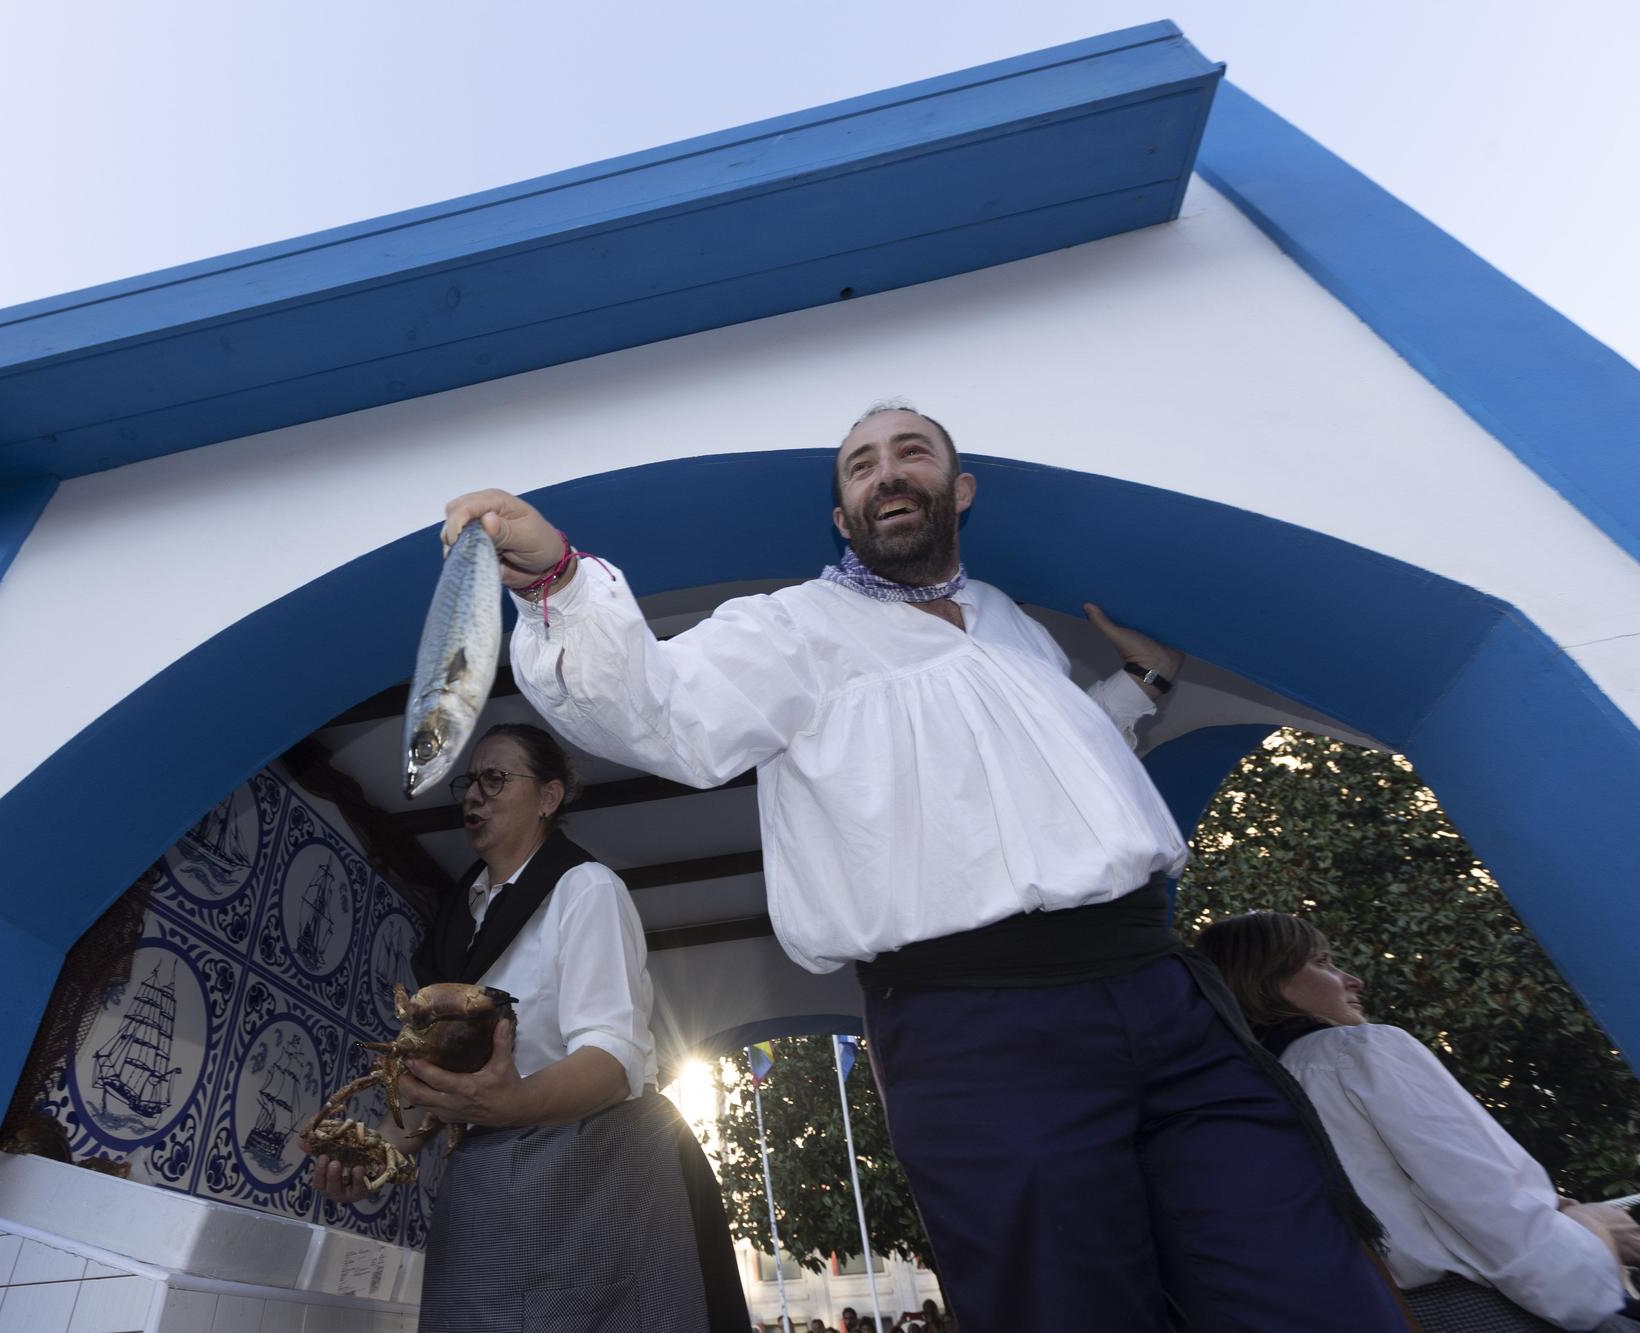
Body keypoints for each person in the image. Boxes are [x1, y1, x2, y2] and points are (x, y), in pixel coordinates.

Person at [440, 404, 1405, 1331]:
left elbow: (1044, 776)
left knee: (1303, 1278)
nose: (887, 471)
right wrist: (556, 577)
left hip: (1163, 992)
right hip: (977, 1022)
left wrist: (1142, 684)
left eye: (912, 452)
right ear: (842, 515)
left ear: (960, 488)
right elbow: (658, 710)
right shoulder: (795, 628)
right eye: (862, 464)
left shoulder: (1010, 626)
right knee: (1067, 1305)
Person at [307, 722, 747, 1331]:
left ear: (549, 797)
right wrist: (373, 1159)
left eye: (495, 779)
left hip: (598, 1172)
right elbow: (430, 1091)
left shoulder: (584, 889)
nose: (472, 796)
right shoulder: (457, 924)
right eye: (468, 782)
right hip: (488, 1179)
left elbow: (612, 1060)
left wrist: (513, 1103)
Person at [1195, 911, 1640, 1331]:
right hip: (1471, 1312)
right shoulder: (1357, 1052)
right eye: (1324, 963)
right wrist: (1596, 1229)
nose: (1353, 980)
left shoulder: (1234, 1094)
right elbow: (1486, 1202)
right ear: (1265, 983)